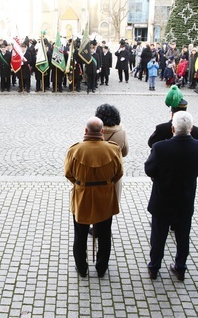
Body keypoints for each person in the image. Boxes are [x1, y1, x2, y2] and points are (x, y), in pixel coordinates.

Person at [145, 111, 198, 280]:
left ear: (172, 128)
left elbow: (149, 169)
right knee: (182, 236)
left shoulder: (160, 148)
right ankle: (180, 267)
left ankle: (154, 267)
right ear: (192, 128)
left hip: (162, 199)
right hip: (185, 199)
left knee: (158, 236)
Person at [64, 116, 123, 278]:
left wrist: (80, 184)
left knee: (80, 235)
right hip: (105, 196)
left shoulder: (75, 150)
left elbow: (68, 174)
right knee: (104, 234)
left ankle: (82, 269)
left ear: (85, 131)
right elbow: (119, 173)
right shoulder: (113, 149)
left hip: (82, 196)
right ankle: (101, 268)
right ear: (102, 131)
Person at [95, 104, 129, 205]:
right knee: (109, 207)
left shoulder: (93, 130)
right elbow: (125, 153)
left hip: (95, 173)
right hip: (113, 175)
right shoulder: (121, 133)